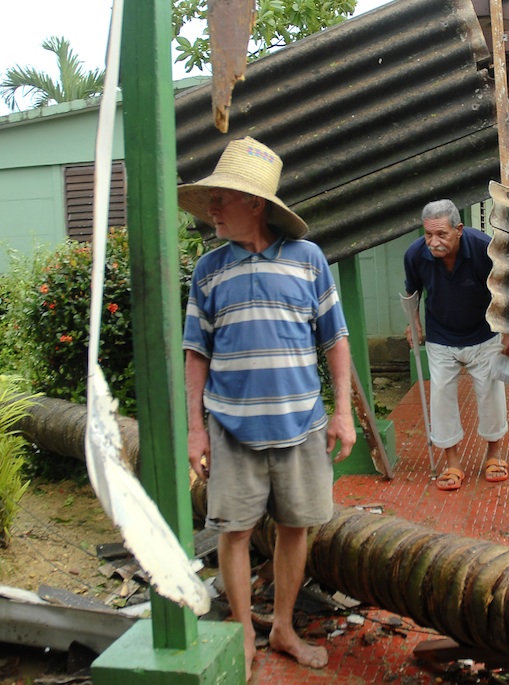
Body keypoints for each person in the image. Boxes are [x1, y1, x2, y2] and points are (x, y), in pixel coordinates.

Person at [179, 137, 356, 680]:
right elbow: (195, 352)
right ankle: (241, 629)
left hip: (300, 423)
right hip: (231, 428)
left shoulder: (308, 260)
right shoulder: (208, 271)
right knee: (232, 531)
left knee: (295, 528)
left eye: (222, 198)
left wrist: (343, 411)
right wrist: (195, 430)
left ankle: (281, 626)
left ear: (254, 204)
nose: (212, 209)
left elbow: (336, 340)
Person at [403, 199, 509, 491]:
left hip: (485, 332)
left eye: (441, 235)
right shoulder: (414, 255)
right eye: (428, 235)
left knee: (491, 392)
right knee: (440, 396)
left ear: (459, 229)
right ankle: (452, 463)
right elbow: (412, 293)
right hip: (440, 335)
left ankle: (494, 454)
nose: (433, 242)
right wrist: (414, 324)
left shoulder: (483, 248)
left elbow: (504, 288)